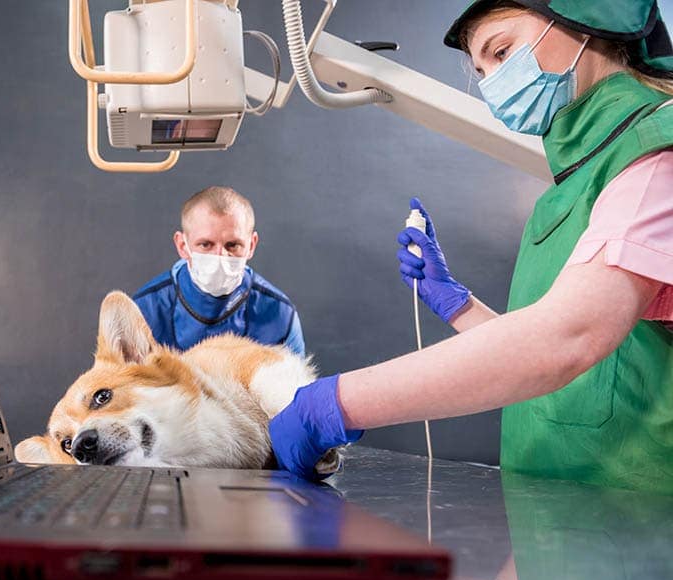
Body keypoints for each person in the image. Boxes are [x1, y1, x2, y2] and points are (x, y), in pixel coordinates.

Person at [270, 0, 673, 494]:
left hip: (640, 525)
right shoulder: (574, 185)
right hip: (558, 517)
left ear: (586, 17)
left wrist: (335, 403)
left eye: (502, 51)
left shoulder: (656, 156)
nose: (495, 84)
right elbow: (575, 369)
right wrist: (459, 305)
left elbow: (568, 338)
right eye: (483, 71)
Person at [133, 186, 306, 355]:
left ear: (251, 245)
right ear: (182, 245)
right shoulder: (144, 312)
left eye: (233, 245)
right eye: (205, 244)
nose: (220, 257)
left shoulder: (279, 315)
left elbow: (297, 383)